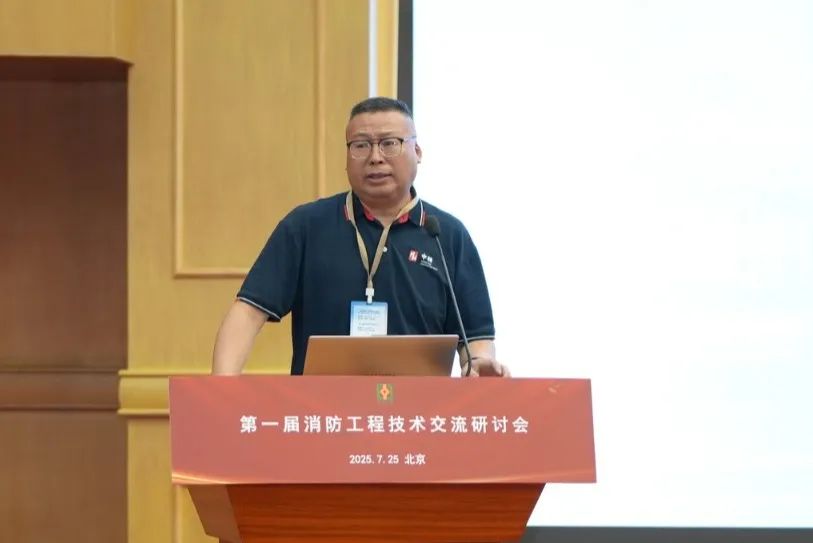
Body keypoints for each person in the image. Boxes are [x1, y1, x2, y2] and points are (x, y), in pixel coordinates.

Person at [212, 97, 509, 378]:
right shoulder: (306, 227)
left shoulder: (447, 235)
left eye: (390, 143)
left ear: (418, 152)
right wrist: (221, 389)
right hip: (321, 410)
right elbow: (248, 313)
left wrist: (478, 365)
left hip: (417, 411)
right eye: (361, 145)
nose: (375, 157)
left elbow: (476, 341)